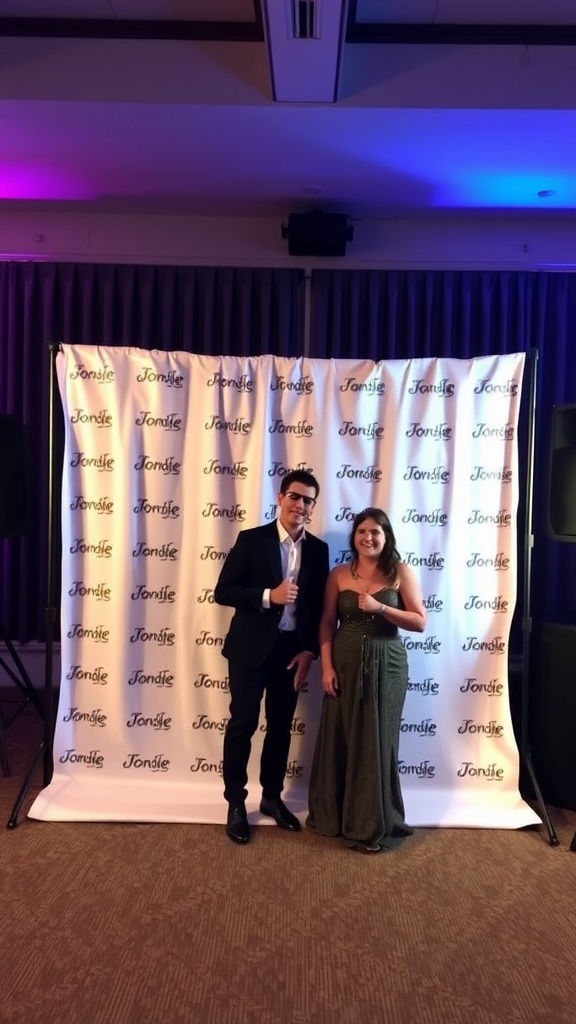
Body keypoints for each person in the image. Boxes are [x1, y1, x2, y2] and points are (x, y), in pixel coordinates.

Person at [214, 470, 330, 845]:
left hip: (290, 654)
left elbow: (315, 608)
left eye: (307, 500)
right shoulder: (252, 540)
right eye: (294, 496)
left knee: (280, 728)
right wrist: (269, 596)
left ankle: (271, 798)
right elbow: (224, 591)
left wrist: (310, 650)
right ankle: (235, 802)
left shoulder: (319, 550)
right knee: (243, 724)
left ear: (313, 507)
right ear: (280, 498)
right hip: (249, 650)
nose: (300, 504)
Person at [307, 507, 426, 853]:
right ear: (354, 537)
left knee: (378, 741)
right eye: (362, 531)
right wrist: (326, 667)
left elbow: (420, 622)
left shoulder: (400, 572)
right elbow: (327, 623)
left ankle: (372, 823)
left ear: (386, 538)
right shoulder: (339, 575)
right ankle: (337, 817)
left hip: (387, 664)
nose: (368, 538)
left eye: (375, 532)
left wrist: (382, 609)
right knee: (340, 736)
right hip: (343, 662)